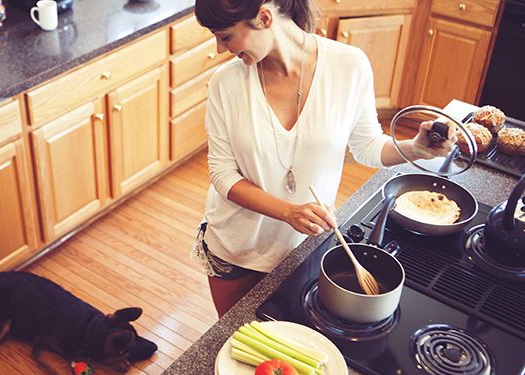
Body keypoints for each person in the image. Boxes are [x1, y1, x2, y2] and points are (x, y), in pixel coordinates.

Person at [191, 0, 455, 318]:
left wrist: (414, 148)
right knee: (238, 342)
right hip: (233, 246)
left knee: (291, 344)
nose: (220, 49)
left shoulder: (348, 65)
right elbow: (222, 174)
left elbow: (367, 146)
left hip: (303, 246)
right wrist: (288, 211)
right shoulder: (226, 83)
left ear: (263, 18)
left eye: (225, 36)